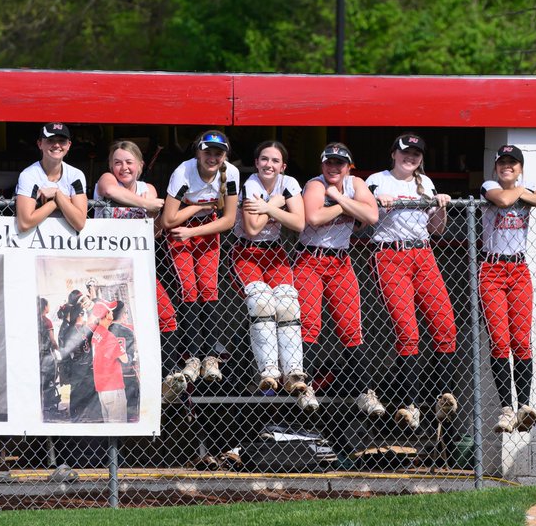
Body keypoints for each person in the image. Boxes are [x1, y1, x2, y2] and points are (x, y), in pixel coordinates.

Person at [366, 133, 457, 430]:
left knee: (445, 326)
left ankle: (443, 397)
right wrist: (377, 203)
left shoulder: (425, 182)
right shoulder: (377, 180)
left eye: (416, 153)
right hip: (390, 254)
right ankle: (411, 404)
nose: (411, 157)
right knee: (408, 332)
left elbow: (437, 229)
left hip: (423, 254)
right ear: (394, 153)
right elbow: (364, 218)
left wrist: (441, 206)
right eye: (406, 152)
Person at [480, 145, 536, 434]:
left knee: (521, 341)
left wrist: (525, 193)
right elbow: (502, 199)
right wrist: (525, 193)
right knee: (500, 340)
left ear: (520, 167)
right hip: (491, 269)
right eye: (502, 162)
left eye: (513, 163)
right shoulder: (488, 185)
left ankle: (524, 407)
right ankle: (506, 409)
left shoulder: (526, 189)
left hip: (518, 269)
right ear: (496, 167)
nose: (507, 166)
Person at [92, 140, 180, 406]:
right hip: (107, 269)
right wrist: (147, 205)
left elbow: (154, 230)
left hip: (139, 265)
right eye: (118, 162)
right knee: (121, 325)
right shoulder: (107, 180)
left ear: (140, 165)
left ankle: (168, 376)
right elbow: (112, 191)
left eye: (129, 162)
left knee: (166, 315)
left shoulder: (147, 189)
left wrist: (153, 210)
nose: (124, 167)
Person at [295, 143, 380, 417]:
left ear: (348, 167)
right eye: (329, 162)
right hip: (310, 259)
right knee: (309, 325)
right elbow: (314, 216)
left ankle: (365, 392)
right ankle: (305, 388)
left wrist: (338, 199)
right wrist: (347, 207)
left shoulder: (355, 183)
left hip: (341, 262)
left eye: (339, 163)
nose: (333, 167)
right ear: (322, 165)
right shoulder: (316, 184)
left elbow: (372, 215)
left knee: (351, 328)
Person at [234, 141, 316, 410]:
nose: (269, 165)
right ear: (256, 163)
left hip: (275, 253)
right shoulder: (251, 184)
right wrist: (278, 204)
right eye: (264, 159)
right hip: (246, 252)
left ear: (283, 166)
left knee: (287, 302)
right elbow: (252, 228)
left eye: (275, 161)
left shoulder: (288, 183)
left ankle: (293, 372)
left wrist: (268, 207)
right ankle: (269, 371)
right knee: (262, 301)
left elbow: (299, 223)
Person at [160, 130, 240, 387]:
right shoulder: (184, 172)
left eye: (218, 153)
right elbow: (168, 220)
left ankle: (210, 356)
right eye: (207, 152)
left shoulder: (231, 173)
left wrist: (195, 230)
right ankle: (192, 356)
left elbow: (228, 220)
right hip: (180, 229)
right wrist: (198, 206)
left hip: (204, 229)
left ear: (225, 155)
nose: (212, 157)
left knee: (208, 288)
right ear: (198, 152)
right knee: (188, 289)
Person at [14, 122, 87, 233]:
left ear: (69, 145)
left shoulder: (76, 175)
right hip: (32, 239)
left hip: (64, 239)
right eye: (50, 140)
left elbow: (79, 223)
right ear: (40, 144)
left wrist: (57, 194)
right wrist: (55, 202)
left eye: (62, 141)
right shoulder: (28, 175)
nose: (56, 145)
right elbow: (24, 223)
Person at [57, 290, 100, 422]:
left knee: (83, 399)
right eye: (82, 312)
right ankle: (78, 419)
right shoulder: (71, 329)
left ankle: (80, 418)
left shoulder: (77, 328)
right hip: (80, 369)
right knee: (80, 399)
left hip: (81, 368)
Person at [89, 301, 130, 423]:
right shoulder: (108, 336)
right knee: (118, 426)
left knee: (109, 425)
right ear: (106, 315)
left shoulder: (97, 332)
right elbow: (125, 359)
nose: (112, 313)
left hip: (102, 388)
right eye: (111, 311)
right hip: (113, 387)